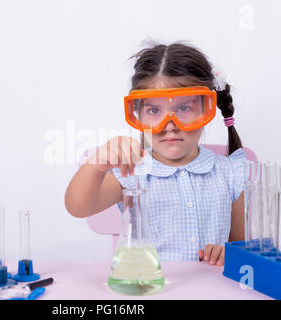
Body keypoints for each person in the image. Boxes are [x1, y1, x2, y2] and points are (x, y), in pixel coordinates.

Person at [65, 41, 246, 266]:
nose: (169, 124)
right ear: (138, 113)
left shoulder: (229, 172)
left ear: (207, 108)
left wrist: (227, 255)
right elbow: (78, 207)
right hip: (150, 290)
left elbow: (240, 249)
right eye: (154, 110)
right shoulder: (131, 171)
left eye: (183, 108)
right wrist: (97, 165)